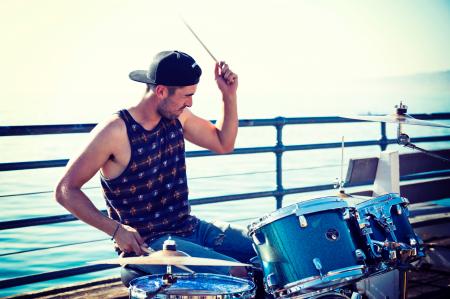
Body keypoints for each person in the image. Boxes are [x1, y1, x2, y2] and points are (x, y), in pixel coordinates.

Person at [55, 50, 255, 284]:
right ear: (161, 91)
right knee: (235, 276)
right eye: (186, 95)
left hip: (192, 228)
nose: (190, 102)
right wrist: (116, 230)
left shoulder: (178, 117)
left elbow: (223, 143)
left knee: (272, 247)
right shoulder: (115, 131)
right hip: (150, 243)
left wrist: (228, 95)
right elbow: (65, 190)